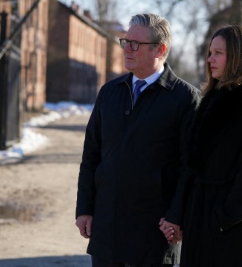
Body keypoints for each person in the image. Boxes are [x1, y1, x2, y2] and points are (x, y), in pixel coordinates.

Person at [75, 13, 200, 266]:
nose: (127, 49)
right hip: (107, 229)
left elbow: (191, 167)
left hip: (155, 233)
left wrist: (176, 217)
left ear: (160, 49)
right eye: (126, 41)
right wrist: (84, 208)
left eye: (136, 44)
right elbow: (91, 155)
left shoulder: (185, 99)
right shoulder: (109, 92)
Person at [161, 25, 242, 266]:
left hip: (234, 229)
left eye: (218, 53)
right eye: (210, 52)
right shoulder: (211, 98)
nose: (210, 59)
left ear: (239, 55)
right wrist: (186, 215)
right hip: (202, 221)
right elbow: (194, 165)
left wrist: (223, 218)